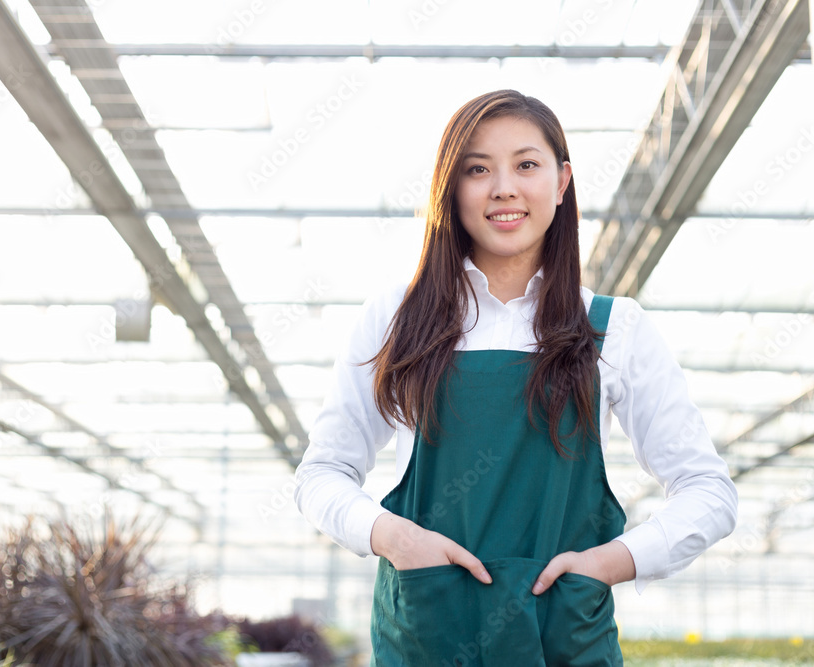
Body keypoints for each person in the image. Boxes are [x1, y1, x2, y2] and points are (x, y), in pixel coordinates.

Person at [294, 89, 738, 666]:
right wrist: (394, 537)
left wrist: (610, 563)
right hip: (430, 636)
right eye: (477, 169)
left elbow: (710, 492)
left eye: (526, 165)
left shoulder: (614, 329)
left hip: (564, 641)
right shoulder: (394, 320)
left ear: (561, 182)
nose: (504, 187)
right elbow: (322, 473)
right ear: (450, 190)